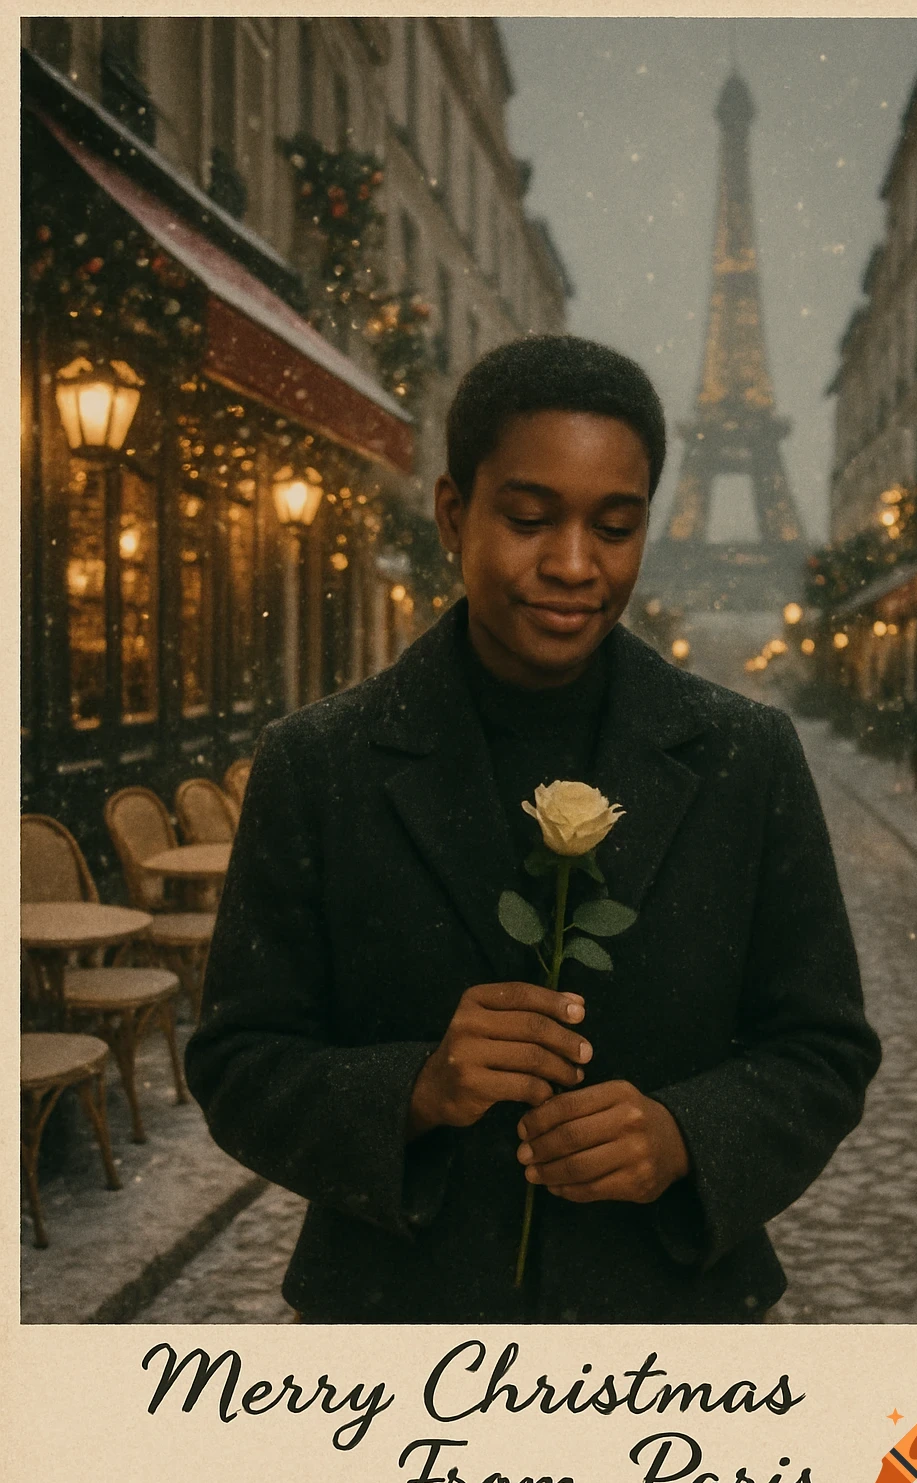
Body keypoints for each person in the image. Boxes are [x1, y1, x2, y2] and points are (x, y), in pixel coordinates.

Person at [184, 334, 881, 1325]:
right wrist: (417, 1089)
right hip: (402, 1328)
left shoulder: (747, 757)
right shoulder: (317, 763)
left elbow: (824, 1048)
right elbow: (237, 1064)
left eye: (614, 526)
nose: (571, 564)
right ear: (452, 513)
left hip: (670, 1330)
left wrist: (687, 1136)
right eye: (527, 517)